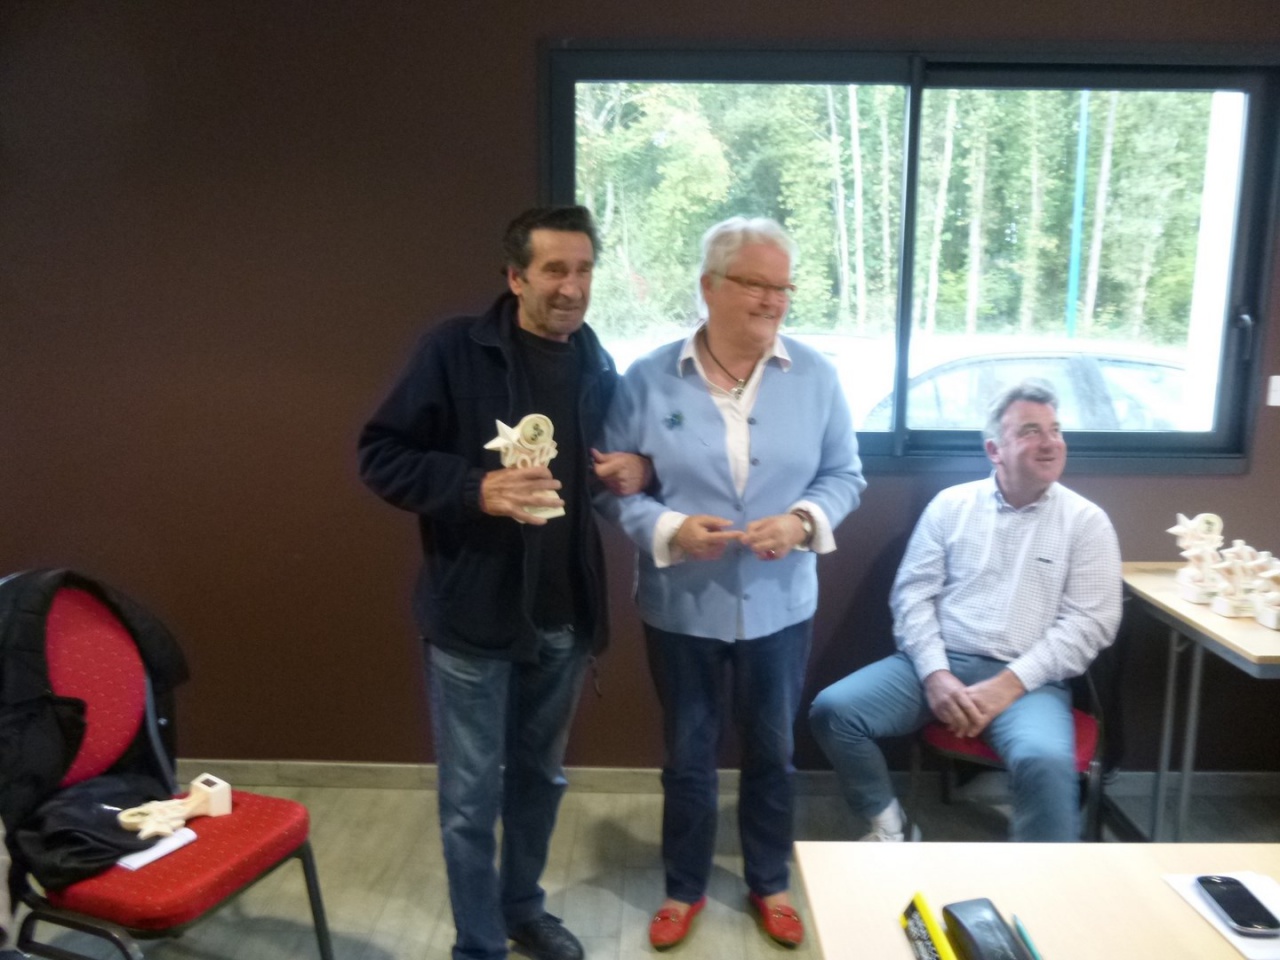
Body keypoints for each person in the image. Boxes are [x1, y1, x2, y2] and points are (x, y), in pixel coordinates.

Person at [358, 205, 647, 960]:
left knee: (541, 782)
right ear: (515, 277)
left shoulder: (597, 365)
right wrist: (473, 488)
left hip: (564, 617)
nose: (572, 287)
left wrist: (637, 468)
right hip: (471, 620)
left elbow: (607, 470)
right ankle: (479, 945)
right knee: (469, 800)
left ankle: (522, 909)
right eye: (554, 270)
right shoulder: (455, 351)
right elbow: (380, 454)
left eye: (583, 269)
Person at [596, 216, 865, 950]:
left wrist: (804, 522)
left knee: (772, 753)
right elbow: (611, 486)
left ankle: (769, 881)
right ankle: (683, 886)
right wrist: (669, 529)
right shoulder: (649, 377)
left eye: (783, 287)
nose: (774, 300)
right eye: (756, 284)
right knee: (689, 756)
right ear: (709, 286)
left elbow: (845, 475)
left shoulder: (816, 376)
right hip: (682, 605)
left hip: (781, 606)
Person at [809, 380, 1122, 844]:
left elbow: (1090, 624)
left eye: (1055, 430)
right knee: (834, 711)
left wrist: (1007, 685)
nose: (1050, 442)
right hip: (937, 663)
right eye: (1031, 431)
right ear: (995, 450)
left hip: (1029, 681)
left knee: (1045, 762)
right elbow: (912, 596)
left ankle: (1045, 878)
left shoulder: (1086, 522)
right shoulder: (951, 506)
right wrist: (936, 675)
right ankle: (890, 825)